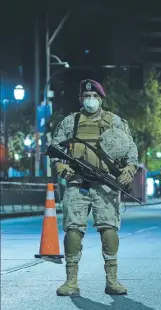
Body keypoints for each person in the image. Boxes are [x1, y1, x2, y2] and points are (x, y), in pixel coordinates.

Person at [50, 79, 139, 296]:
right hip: (76, 183)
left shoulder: (115, 122)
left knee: (109, 231)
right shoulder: (70, 122)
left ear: (101, 99)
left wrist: (129, 169)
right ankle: (71, 281)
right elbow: (54, 149)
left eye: (94, 97)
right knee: (73, 230)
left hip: (105, 184)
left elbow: (131, 151)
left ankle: (112, 280)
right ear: (81, 98)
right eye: (86, 97)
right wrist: (61, 167)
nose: (90, 100)